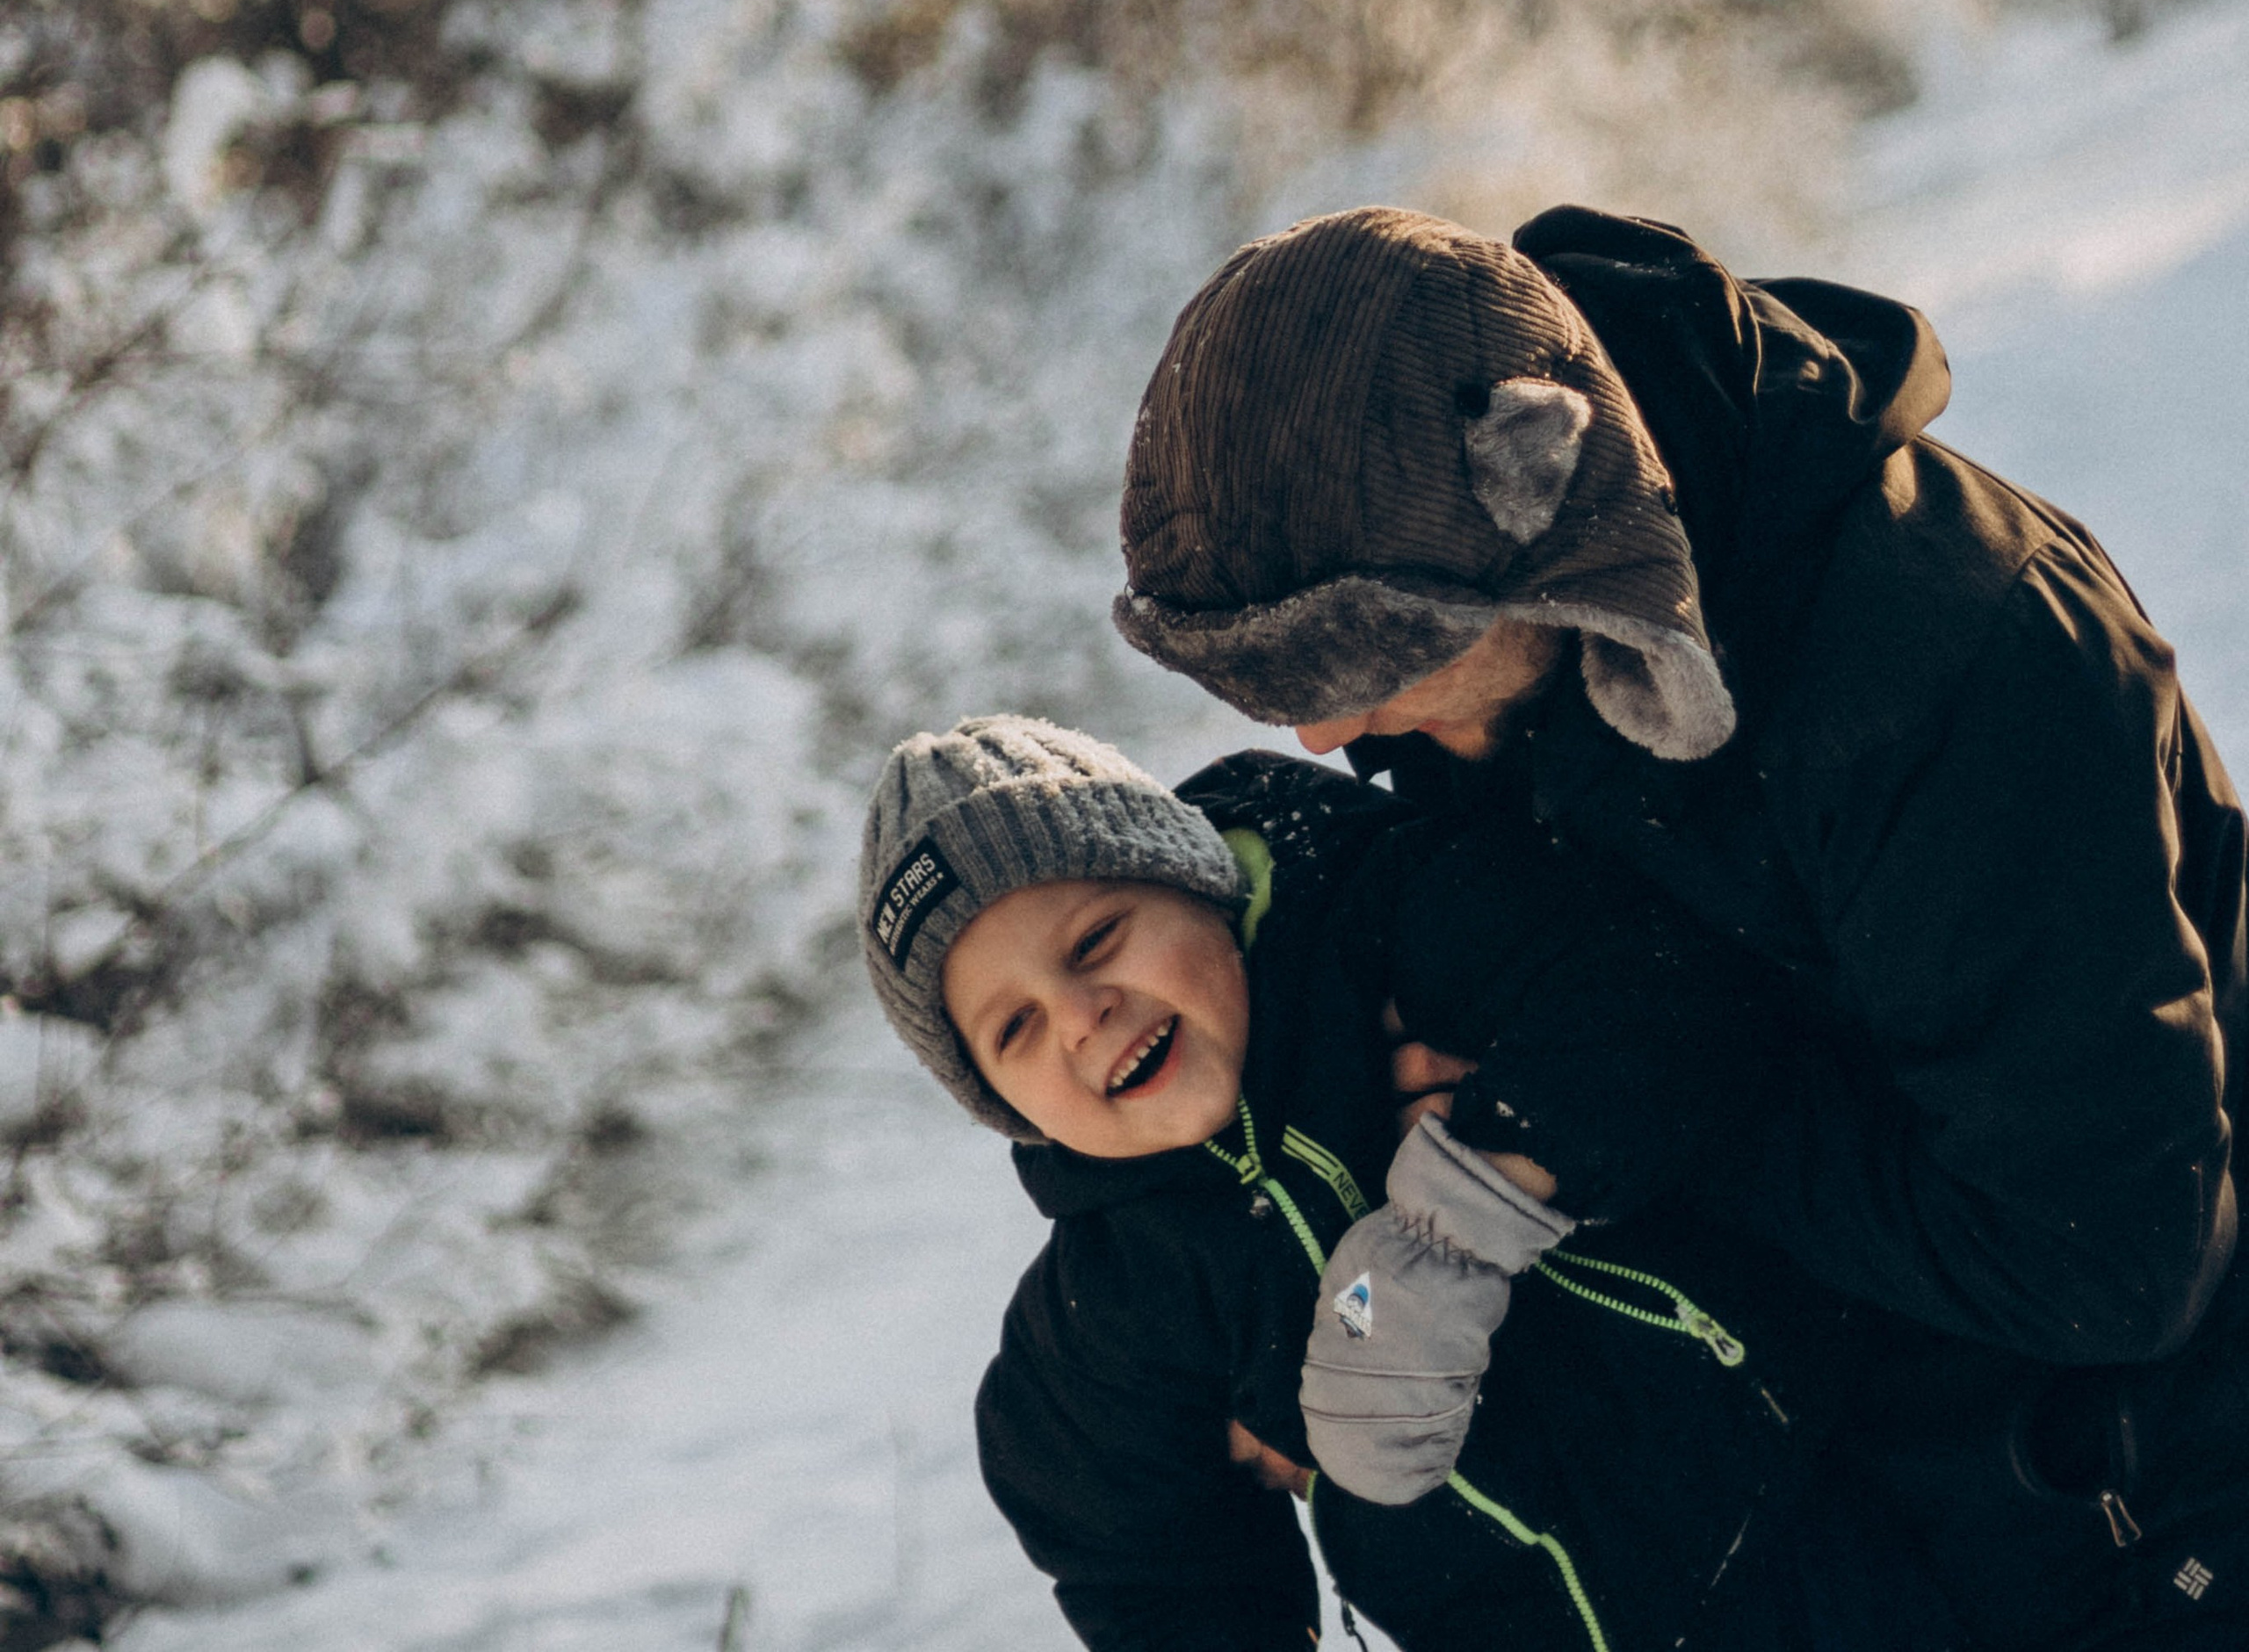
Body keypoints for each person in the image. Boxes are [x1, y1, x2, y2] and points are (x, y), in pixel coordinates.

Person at [1112, 202, 2249, 1645]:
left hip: (2156, 1499)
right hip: (1852, 1492)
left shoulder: (1953, 659)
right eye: (1277, 696)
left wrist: (1638, 1114)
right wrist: (1277, 1336)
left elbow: (2109, 1263)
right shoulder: (1497, 666)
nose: (1333, 731)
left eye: (1370, 667)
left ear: (1547, 536)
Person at [858, 709, 1963, 1652]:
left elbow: (1656, 984)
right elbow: (1139, 1559)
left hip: (1851, 1498)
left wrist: (1479, 1192)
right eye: (1013, 1031)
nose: (1080, 1015)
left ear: (1198, 881)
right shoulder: (1119, 1299)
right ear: (1003, 1106)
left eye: (1098, 939)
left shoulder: (1387, 920)